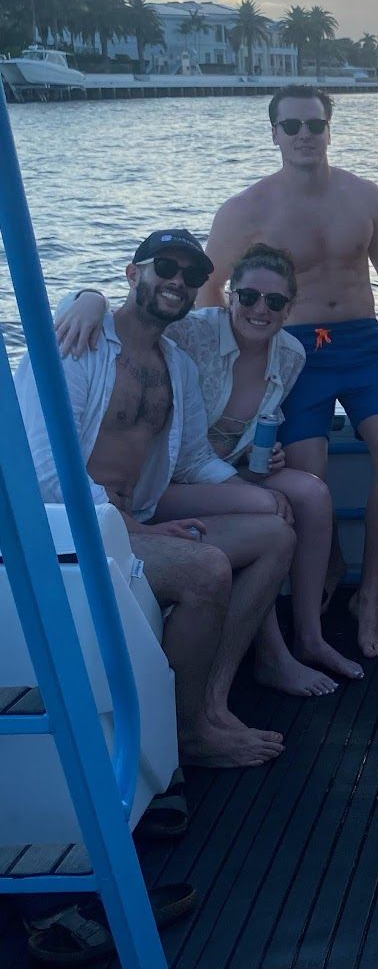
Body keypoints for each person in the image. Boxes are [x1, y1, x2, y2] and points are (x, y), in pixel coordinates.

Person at [16, 229, 296, 768]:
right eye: (165, 267)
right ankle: (189, 734)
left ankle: (211, 698)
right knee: (205, 569)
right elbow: (47, 473)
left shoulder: (177, 367)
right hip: (68, 534)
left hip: (129, 520)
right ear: (132, 273)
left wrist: (248, 492)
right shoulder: (78, 345)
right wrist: (134, 531)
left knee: (274, 531)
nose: (177, 281)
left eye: (191, 276)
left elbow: (192, 459)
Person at [54, 242, 363, 693]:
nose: (261, 309)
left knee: (310, 493)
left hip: (214, 468)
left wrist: (262, 460)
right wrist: (85, 297)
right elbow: (132, 317)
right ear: (229, 295)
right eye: (250, 296)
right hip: (166, 480)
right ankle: (271, 655)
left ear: (289, 307)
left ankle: (310, 637)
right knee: (267, 509)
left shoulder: (289, 354)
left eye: (275, 302)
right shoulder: (188, 334)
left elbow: (217, 442)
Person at [199, 85, 378, 659]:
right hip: (293, 347)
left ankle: (369, 597)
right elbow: (209, 287)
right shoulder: (246, 209)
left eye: (313, 125)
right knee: (308, 475)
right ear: (273, 133)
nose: (303, 135)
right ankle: (332, 565)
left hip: (365, 342)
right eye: (290, 125)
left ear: (328, 129)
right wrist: (228, 357)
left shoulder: (365, 195)